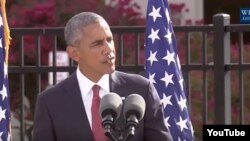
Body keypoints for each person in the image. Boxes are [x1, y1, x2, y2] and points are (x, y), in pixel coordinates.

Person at [32, 12, 173, 141]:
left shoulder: (141, 89)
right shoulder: (50, 101)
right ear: (74, 53)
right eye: (97, 43)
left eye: (109, 40)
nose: (108, 49)